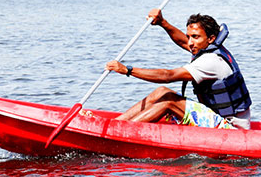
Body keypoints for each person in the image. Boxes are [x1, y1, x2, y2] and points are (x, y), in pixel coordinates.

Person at [105, 10, 252, 129]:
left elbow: (168, 75)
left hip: (230, 129)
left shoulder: (211, 61)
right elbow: (183, 41)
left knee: (169, 102)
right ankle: (115, 124)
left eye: (195, 37)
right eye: (189, 36)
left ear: (211, 38)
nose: (190, 42)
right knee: (162, 92)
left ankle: (121, 131)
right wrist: (163, 23)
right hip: (217, 118)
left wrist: (128, 70)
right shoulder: (209, 48)